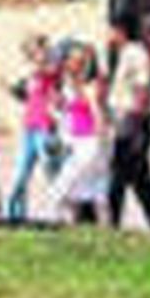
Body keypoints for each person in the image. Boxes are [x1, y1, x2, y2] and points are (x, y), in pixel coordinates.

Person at [104, 8, 150, 232]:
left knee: (118, 176)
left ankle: (112, 222)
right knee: (139, 180)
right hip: (126, 120)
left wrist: (134, 123)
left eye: (111, 29)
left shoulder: (136, 54)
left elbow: (142, 88)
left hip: (133, 121)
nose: (108, 34)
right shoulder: (125, 53)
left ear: (120, 30)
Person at [42, 42, 108, 224]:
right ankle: (98, 231)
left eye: (75, 61)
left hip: (90, 142)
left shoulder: (90, 86)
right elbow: (63, 111)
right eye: (69, 60)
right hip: (77, 141)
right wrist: (55, 111)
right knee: (91, 192)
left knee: (61, 188)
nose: (68, 64)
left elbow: (97, 112)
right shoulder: (68, 86)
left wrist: (102, 141)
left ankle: (54, 224)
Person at [5, 31, 59, 223]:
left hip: (46, 128)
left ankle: (66, 213)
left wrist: (37, 63)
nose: (35, 55)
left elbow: (47, 71)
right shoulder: (32, 75)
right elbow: (28, 97)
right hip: (29, 127)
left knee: (53, 173)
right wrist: (13, 89)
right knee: (20, 174)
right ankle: (15, 216)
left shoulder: (51, 70)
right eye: (33, 52)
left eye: (38, 50)